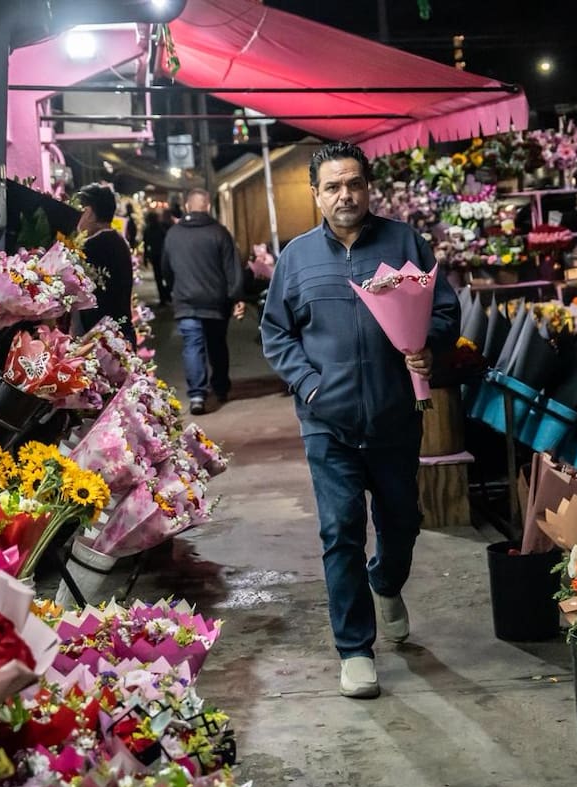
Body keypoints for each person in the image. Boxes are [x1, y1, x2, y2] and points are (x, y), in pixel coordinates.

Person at [261, 141, 459, 699]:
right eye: (332, 186)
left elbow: (444, 309)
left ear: (368, 187)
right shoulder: (297, 257)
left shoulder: (404, 243)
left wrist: (429, 345)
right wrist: (310, 385)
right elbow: (276, 332)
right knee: (340, 529)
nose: (344, 195)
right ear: (316, 194)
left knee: (402, 522)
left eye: (353, 183)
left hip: (395, 415)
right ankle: (354, 649)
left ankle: (386, 582)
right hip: (328, 420)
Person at [162, 188, 246, 416]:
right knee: (217, 344)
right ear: (208, 206)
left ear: (187, 207)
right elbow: (232, 268)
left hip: (186, 301)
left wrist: (174, 290)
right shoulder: (219, 232)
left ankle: (197, 395)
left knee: (192, 345)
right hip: (216, 301)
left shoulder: (173, 234)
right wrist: (237, 296)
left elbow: (166, 269)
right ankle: (220, 387)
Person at [76, 184, 135, 343]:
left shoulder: (93, 246)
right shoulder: (118, 240)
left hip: (102, 339)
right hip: (120, 332)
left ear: (89, 213)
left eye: (80, 210)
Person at [143, 209, 172, 305]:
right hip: (162, 255)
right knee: (166, 276)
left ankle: (163, 297)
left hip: (155, 256)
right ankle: (166, 295)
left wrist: (145, 258)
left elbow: (146, 245)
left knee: (159, 278)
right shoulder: (161, 228)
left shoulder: (148, 230)